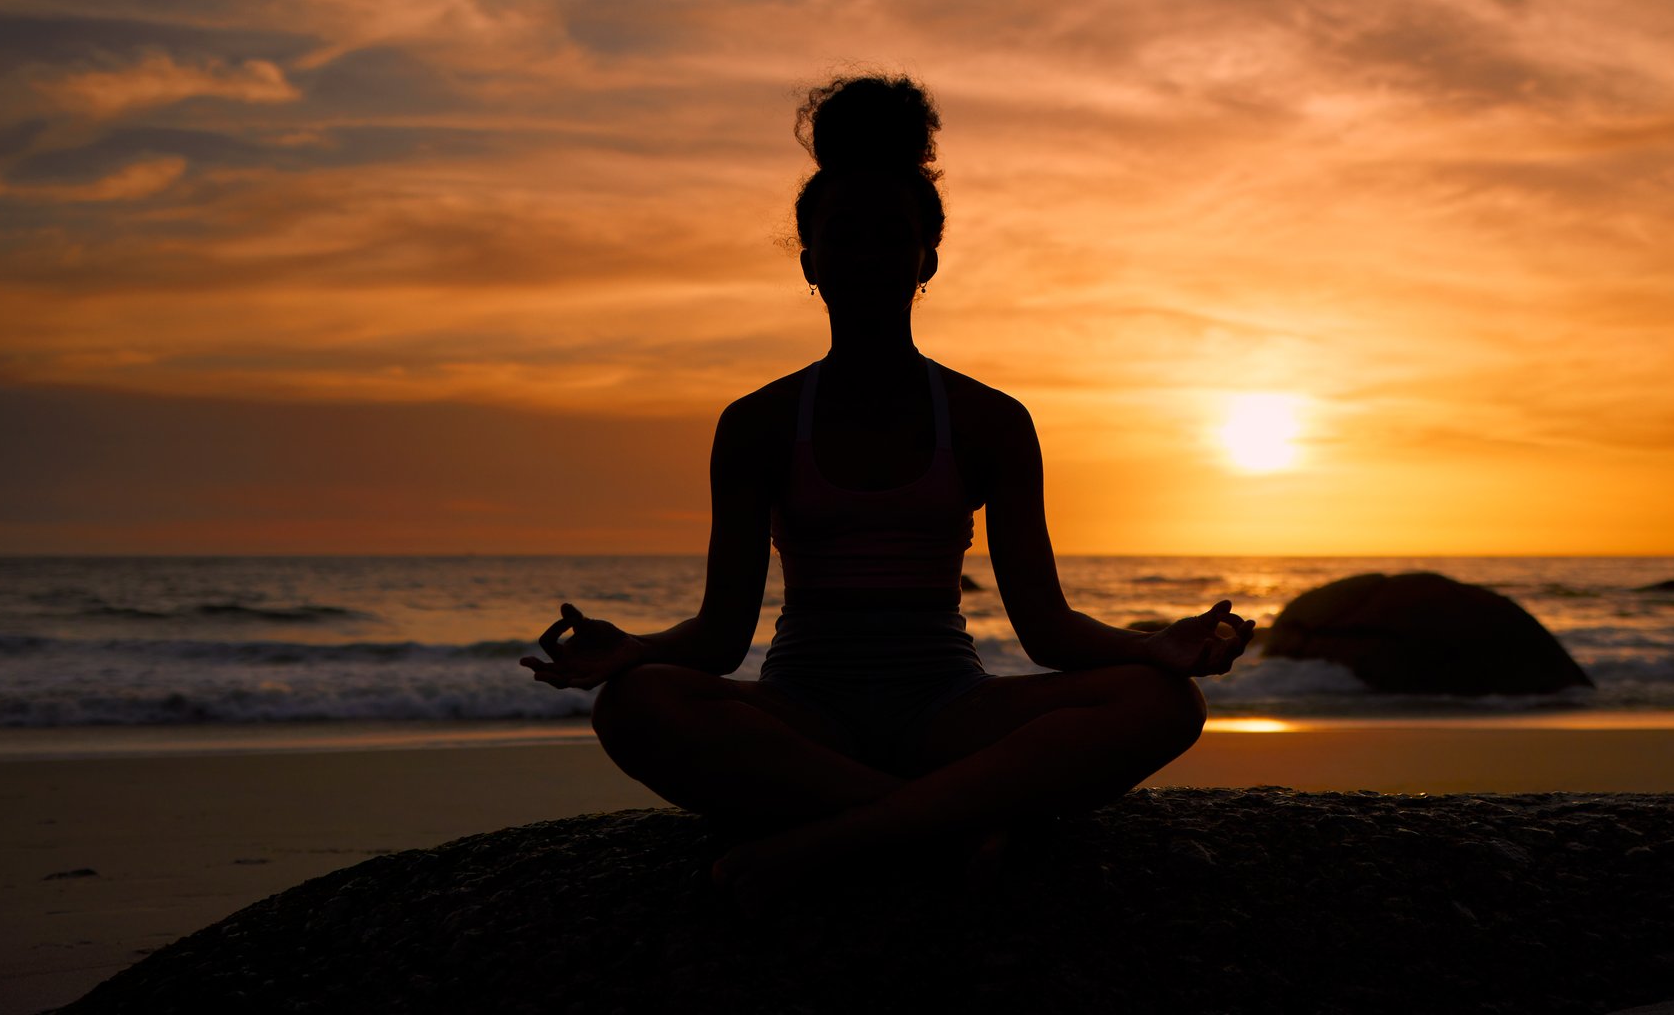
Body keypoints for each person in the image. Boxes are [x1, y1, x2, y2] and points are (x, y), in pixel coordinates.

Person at [520, 74, 1255, 914]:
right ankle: (946, 820)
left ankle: (829, 835)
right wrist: (637, 651)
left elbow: (1046, 630)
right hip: (805, 715)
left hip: (950, 713)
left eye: (890, 237)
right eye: (844, 237)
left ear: (926, 258)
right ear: (810, 259)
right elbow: (722, 641)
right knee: (635, 707)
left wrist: (1154, 648)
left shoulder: (989, 421)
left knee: (1162, 704)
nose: (867, 257)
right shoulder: (758, 422)